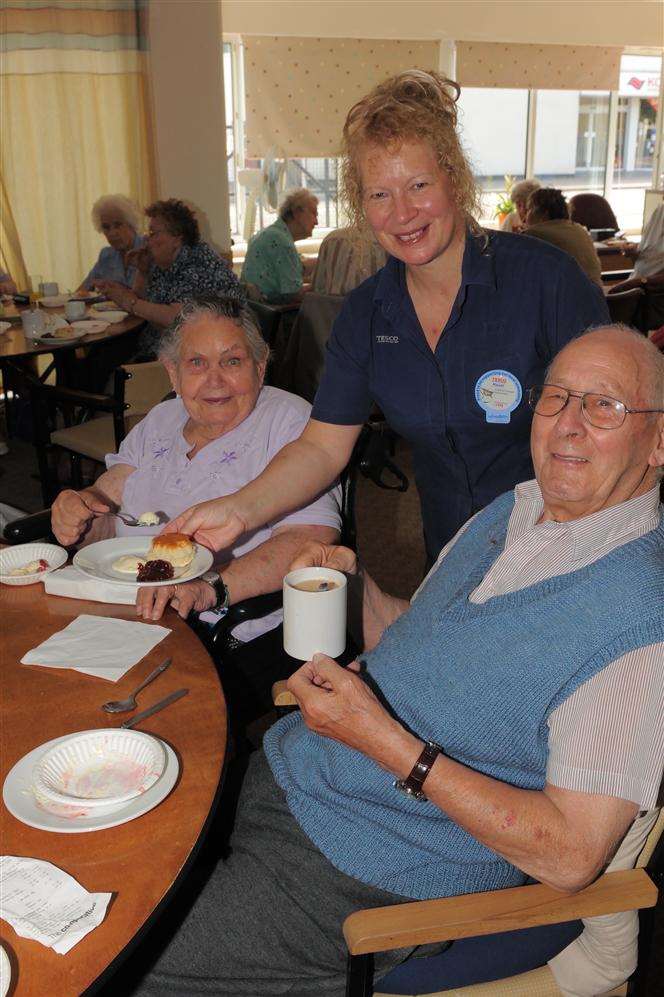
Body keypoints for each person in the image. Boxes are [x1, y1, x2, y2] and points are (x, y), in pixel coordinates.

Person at [126, 325, 663, 997]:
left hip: (369, 867)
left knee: (117, 952)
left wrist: (379, 739)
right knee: (114, 843)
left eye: (604, 405)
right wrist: (357, 589)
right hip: (291, 775)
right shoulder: (517, 506)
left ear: (660, 439)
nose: (567, 425)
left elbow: (571, 853)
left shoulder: (638, 621)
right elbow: (422, 639)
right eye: (556, 398)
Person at [166, 70, 610, 565]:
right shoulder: (366, 314)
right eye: (380, 194)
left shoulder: (546, 281)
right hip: (453, 545)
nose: (402, 213)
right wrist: (240, 509)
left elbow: (617, 420)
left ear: (454, 181)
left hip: (570, 538)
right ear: (361, 206)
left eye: (419, 185)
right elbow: (321, 448)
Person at [50, 295, 340, 719]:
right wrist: (77, 512)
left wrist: (211, 587)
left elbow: (310, 541)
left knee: (119, 717)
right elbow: (105, 511)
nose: (215, 381)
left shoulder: (292, 424)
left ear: (260, 367)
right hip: (124, 611)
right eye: (197, 364)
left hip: (223, 627)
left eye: (233, 361)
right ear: (173, 372)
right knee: (52, 686)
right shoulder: (159, 421)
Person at [97, 199, 241, 351]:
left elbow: (176, 318)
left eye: (153, 233)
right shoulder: (167, 261)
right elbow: (146, 303)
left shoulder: (196, 262)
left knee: (101, 359)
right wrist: (143, 271)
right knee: (101, 353)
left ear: (177, 238)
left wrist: (129, 302)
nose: (147, 239)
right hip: (165, 346)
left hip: (207, 354)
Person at [241, 188, 318, 303]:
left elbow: (298, 266)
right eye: (313, 213)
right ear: (297, 213)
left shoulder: (271, 234)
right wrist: (322, 285)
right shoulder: (281, 241)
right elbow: (294, 293)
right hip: (269, 313)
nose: (316, 222)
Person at [524, 187, 603, 287]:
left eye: (528, 209)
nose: (525, 217)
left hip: (564, 299)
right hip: (596, 298)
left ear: (544, 213)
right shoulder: (580, 229)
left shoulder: (533, 234)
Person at [77, 194, 145, 292]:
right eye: (106, 227)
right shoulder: (106, 256)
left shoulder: (147, 250)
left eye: (118, 225)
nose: (112, 233)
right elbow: (82, 292)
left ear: (131, 223)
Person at [311, 226, 386, 296]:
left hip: (332, 308)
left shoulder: (330, 239)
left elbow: (317, 288)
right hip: (377, 306)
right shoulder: (388, 242)